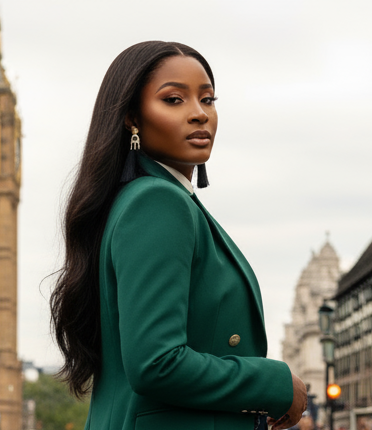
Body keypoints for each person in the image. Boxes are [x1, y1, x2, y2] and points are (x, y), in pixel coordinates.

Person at [50, 41, 307, 430]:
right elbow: (157, 363)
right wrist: (275, 383)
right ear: (131, 118)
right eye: (174, 100)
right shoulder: (157, 202)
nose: (199, 114)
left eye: (208, 99)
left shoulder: (142, 200)